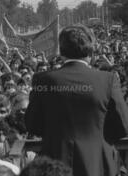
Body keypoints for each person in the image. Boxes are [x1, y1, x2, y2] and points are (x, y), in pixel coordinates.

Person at [25, 25, 128, 176]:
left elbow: (33, 124)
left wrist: (55, 135)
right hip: (98, 163)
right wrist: (98, 137)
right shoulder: (108, 80)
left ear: (61, 51)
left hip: (55, 163)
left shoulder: (43, 80)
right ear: (91, 51)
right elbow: (123, 125)